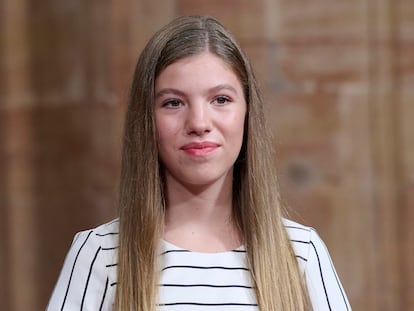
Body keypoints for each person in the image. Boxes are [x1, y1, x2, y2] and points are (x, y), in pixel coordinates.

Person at [46, 15, 351, 311]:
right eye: (173, 103)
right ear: (146, 120)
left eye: (220, 99)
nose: (199, 122)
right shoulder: (101, 254)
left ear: (247, 113)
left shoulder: (300, 253)